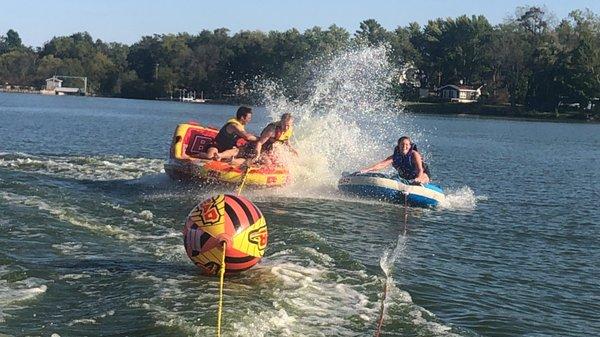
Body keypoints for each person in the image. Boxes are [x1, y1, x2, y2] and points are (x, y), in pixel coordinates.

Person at [359, 136, 430, 184]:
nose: (404, 147)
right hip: (406, 176)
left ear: (410, 146)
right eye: (402, 144)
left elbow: (420, 169)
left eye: (407, 145)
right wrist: (367, 170)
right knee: (394, 178)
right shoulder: (395, 156)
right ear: (398, 145)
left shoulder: (414, 155)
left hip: (422, 174)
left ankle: (418, 183)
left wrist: (418, 179)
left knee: (422, 178)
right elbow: (382, 164)